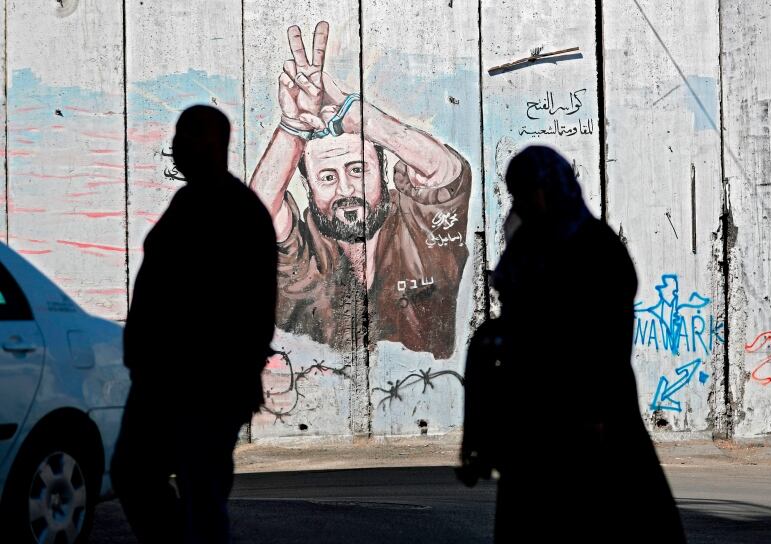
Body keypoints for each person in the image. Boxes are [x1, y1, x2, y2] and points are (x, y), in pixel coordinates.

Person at [458, 145, 686, 543]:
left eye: (533, 191)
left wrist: (596, 411)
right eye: (520, 194)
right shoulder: (528, 240)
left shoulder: (595, 247)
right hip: (533, 415)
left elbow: (608, 340)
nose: (528, 202)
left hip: (590, 411)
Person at [250, 21, 471, 359]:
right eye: (327, 177)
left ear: (382, 172)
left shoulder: (419, 227)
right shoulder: (301, 248)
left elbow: (446, 172)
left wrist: (357, 113)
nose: (346, 189)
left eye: (358, 169)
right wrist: (293, 126)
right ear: (307, 186)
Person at [111, 105, 277, 543]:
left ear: (212, 144)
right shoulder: (192, 201)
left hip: (203, 385)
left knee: (197, 492)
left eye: (187, 136)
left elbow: (254, 311)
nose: (176, 147)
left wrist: (234, 380)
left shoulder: (236, 212)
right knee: (139, 474)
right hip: (164, 381)